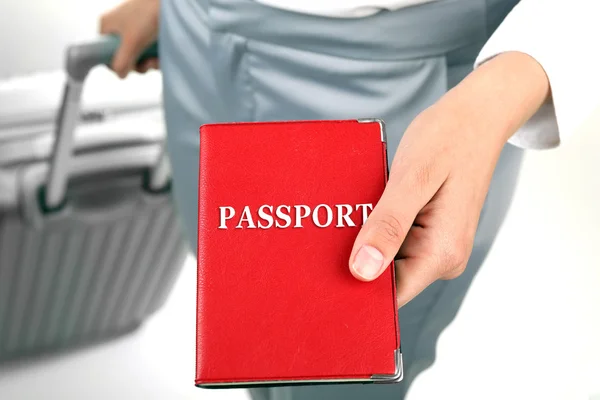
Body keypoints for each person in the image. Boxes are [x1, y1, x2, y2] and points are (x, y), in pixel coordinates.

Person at [99, 0, 598, 399]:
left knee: (342, 379)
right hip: (198, 38)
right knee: (245, 329)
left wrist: (502, 93)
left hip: (400, 67)